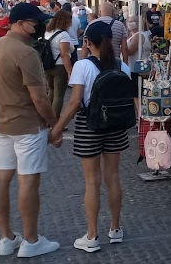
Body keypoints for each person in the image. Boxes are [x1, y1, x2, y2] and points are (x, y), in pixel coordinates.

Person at [0, 3, 62, 258]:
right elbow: (40, 99)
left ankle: (7, 238)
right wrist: (55, 125)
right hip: (27, 126)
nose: (40, 26)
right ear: (20, 23)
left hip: (1, 122)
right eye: (35, 22)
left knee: (1, 178)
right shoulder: (26, 53)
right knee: (28, 181)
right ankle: (31, 240)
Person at [52, 21, 131, 252]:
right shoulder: (121, 65)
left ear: (87, 42)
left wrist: (56, 129)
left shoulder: (82, 66)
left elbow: (75, 102)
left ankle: (92, 235)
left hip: (90, 126)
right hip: (115, 126)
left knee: (92, 182)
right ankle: (115, 229)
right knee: (113, 177)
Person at [43, 9, 75, 117]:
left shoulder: (47, 31)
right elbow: (64, 54)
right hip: (60, 67)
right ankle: (55, 120)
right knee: (59, 95)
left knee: (50, 91)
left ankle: (47, 117)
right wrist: (70, 71)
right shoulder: (63, 35)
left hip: (47, 65)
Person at [125, 15, 151, 118]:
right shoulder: (138, 35)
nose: (130, 23)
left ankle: (140, 116)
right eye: (129, 21)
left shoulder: (138, 36)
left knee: (136, 95)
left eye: (133, 21)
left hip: (136, 69)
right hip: (137, 68)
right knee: (136, 94)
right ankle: (140, 116)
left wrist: (121, 45)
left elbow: (130, 51)